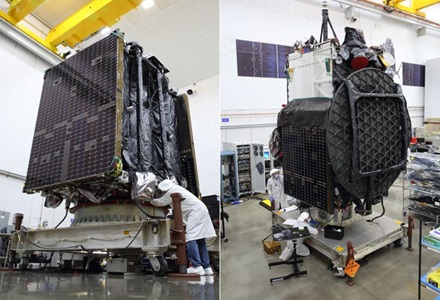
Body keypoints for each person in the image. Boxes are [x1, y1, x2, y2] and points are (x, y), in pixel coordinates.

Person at [150, 179, 216, 275]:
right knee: (200, 240)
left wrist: (150, 200)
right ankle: (207, 268)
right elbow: (179, 207)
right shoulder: (177, 188)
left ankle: (196, 266)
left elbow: (160, 202)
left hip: (195, 212)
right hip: (201, 210)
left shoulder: (171, 192)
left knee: (190, 238)